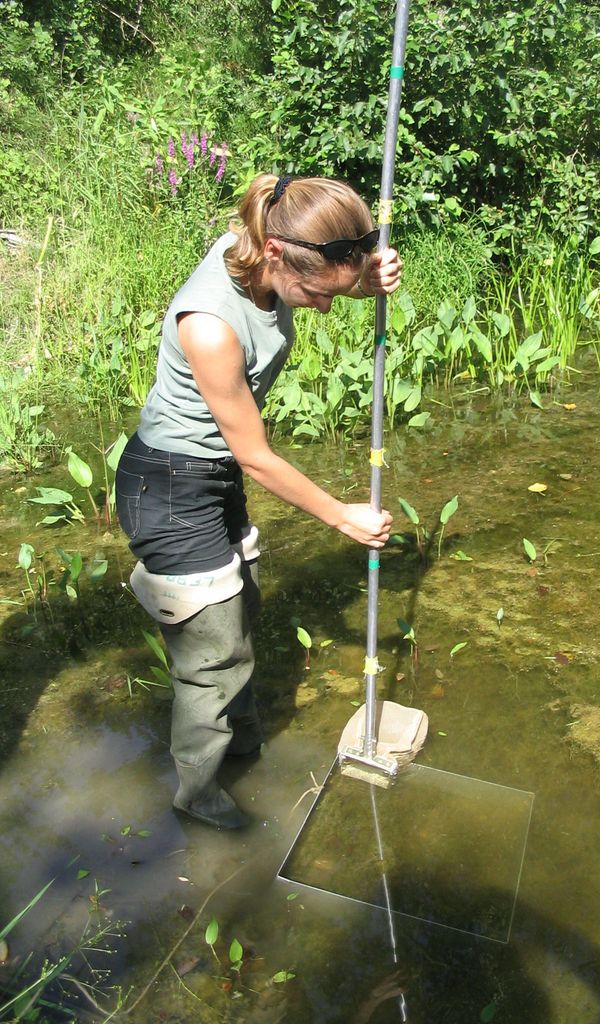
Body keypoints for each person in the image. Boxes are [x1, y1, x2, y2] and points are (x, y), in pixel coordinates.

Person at [116, 174, 399, 829]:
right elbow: (256, 456)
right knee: (211, 654)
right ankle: (197, 796)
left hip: (212, 474)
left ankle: (241, 748)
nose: (323, 309)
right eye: (317, 295)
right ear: (275, 255)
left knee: (238, 610)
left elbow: (328, 272)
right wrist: (342, 516)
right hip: (169, 485)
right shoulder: (210, 326)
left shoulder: (267, 244)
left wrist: (368, 278)